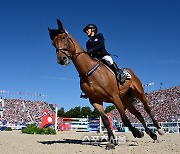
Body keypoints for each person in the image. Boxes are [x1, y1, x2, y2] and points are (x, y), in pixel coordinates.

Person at [80, 24, 127, 99]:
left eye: (87, 30)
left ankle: (119, 74)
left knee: (109, 60)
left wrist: (91, 50)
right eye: (86, 31)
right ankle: (86, 90)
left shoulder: (99, 36)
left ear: (93, 29)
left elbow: (101, 46)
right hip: (95, 58)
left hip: (103, 55)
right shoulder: (87, 43)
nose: (86, 32)